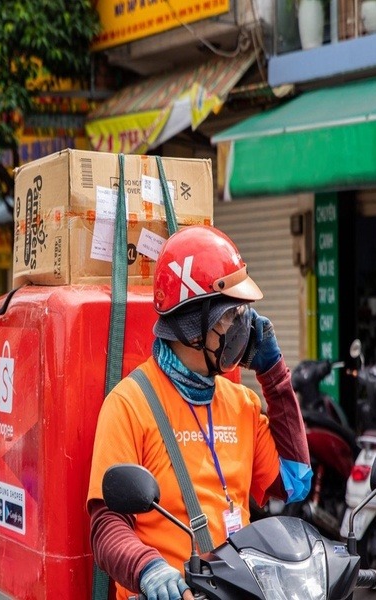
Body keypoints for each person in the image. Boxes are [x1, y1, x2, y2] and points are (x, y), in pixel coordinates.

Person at [87, 225, 312, 600]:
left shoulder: (241, 402)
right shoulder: (129, 404)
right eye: (231, 316)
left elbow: (295, 481)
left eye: (244, 314)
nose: (244, 327)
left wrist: (274, 375)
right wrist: (147, 567)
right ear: (193, 325)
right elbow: (107, 524)